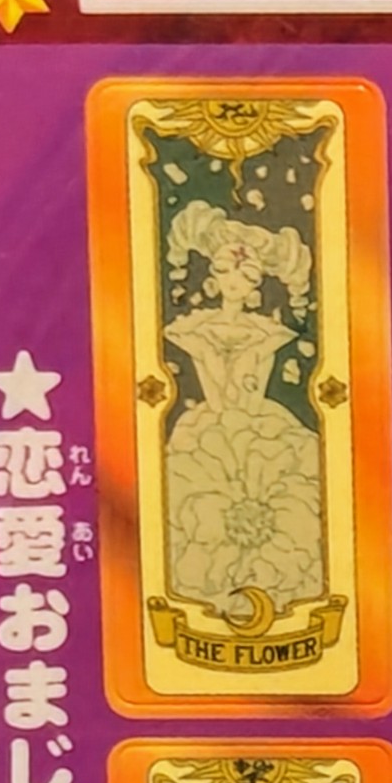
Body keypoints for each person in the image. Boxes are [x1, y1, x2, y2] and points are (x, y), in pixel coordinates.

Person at [159, 201, 326, 623]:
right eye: (225, 269)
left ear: (257, 286)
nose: (234, 281)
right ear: (212, 276)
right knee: (194, 515)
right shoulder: (192, 329)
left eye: (247, 274)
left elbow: (250, 383)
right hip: (209, 434)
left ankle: (268, 595)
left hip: (258, 431)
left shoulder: (268, 332)